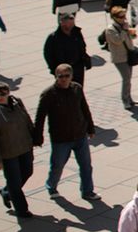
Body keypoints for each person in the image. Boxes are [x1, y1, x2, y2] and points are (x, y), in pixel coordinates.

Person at [35, 64, 98, 201]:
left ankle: (88, 191)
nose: (63, 79)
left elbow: (84, 109)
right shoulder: (48, 94)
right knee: (57, 166)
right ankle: (51, 186)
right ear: (56, 77)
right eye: (60, 76)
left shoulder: (77, 88)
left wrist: (90, 128)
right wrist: (37, 137)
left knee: (86, 166)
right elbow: (40, 117)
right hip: (61, 138)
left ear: (71, 76)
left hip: (80, 135)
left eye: (66, 76)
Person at [0, 81, 36, 218]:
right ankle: (21, 209)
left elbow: (27, 119)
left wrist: (34, 137)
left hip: (24, 147)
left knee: (27, 172)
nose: (0, 97)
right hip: (8, 153)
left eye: (3, 93)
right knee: (14, 182)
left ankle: (7, 192)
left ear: (8, 92)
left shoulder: (17, 103)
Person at [105, 5, 138, 109]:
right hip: (119, 58)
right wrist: (124, 31)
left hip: (128, 56)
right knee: (126, 78)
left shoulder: (124, 25)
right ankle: (125, 100)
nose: (124, 18)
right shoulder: (110, 30)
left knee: (128, 78)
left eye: (124, 16)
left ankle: (129, 98)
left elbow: (131, 38)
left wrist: (132, 33)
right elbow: (118, 41)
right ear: (114, 17)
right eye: (121, 16)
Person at [44, 12, 91, 88]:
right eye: (70, 24)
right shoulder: (54, 37)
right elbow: (48, 54)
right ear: (62, 23)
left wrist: (86, 59)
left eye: (73, 23)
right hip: (64, 72)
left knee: (78, 89)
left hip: (78, 68)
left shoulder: (76, 32)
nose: (72, 26)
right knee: (65, 90)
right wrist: (54, 69)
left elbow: (82, 47)